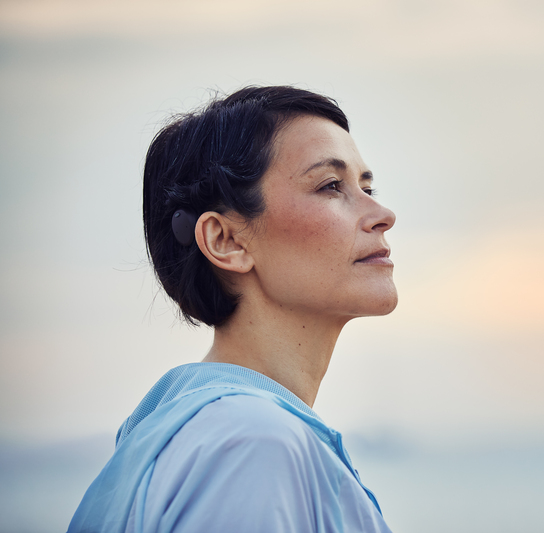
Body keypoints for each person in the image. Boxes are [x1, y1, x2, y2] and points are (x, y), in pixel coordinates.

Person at [68, 86, 397, 532]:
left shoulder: (181, 431)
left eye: (368, 185)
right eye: (330, 185)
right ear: (226, 241)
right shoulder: (253, 442)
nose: (382, 212)